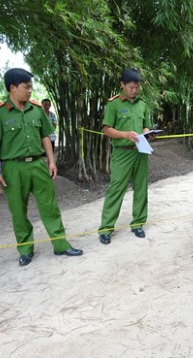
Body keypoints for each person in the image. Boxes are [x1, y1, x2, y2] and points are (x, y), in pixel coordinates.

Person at [0, 68, 83, 266]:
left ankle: (60, 245)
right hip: (13, 168)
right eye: (26, 87)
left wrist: (51, 161)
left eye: (31, 87)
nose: (30, 91)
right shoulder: (1, 113)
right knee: (18, 212)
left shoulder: (37, 110)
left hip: (38, 165)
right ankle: (25, 250)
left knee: (49, 206)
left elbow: (45, 135)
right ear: (13, 88)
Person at [98, 68, 154, 245]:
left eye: (137, 87)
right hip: (122, 153)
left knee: (141, 188)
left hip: (140, 152)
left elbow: (147, 125)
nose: (134, 90)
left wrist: (147, 133)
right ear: (122, 84)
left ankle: (138, 223)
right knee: (116, 189)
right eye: (131, 87)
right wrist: (125, 135)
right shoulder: (114, 104)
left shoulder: (142, 104)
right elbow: (106, 129)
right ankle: (106, 228)